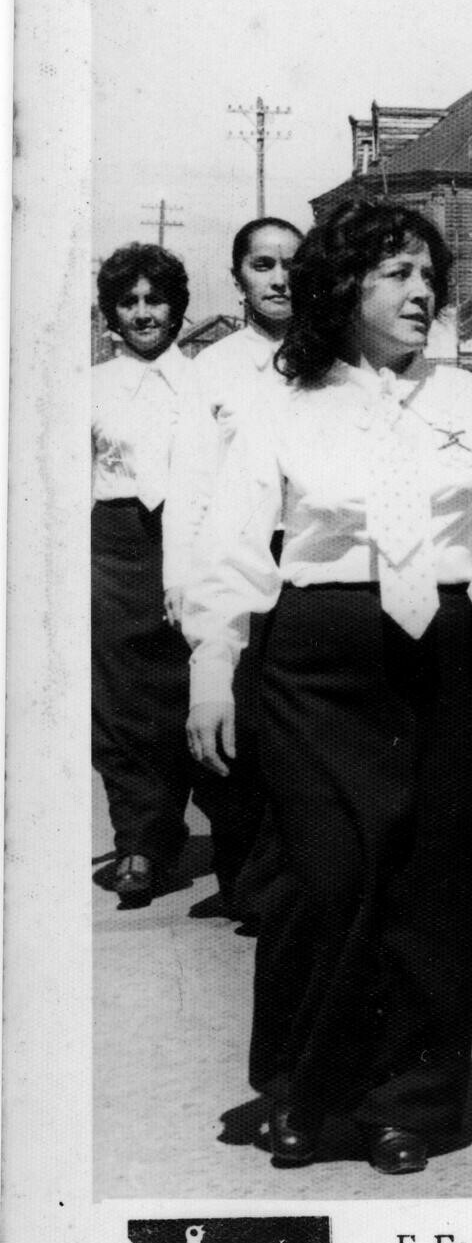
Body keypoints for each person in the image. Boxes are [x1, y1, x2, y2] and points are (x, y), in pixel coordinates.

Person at [182, 201, 472, 1174]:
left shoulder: (463, 403)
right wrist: (211, 669)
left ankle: (409, 1097)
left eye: (427, 274)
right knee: (325, 875)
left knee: (431, 880)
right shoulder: (288, 404)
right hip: (317, 654)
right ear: (342, 289)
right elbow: (229, 546)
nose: (421, 291)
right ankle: (304, 1085)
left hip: (442, 655)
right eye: (396, 273)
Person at [156, 218, 302, 920]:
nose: (279, 278)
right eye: (263, 265)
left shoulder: (328, 354)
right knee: (229, 714)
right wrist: (180, 579)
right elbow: (189, 485)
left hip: (304, 558)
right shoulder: (211, 368)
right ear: (239, 276)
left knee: (295, 723)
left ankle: (284, 877)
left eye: (291, 264)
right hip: (230, 557)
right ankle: (242, 871)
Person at [91, 241, 222, 909]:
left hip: (191, 539)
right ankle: (139, 843)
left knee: (191, 688)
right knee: (118, 703)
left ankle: (221, 840)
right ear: (112, 310)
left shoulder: (203, 380)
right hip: (114, 549)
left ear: (177, 307)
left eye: (155, 299)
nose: (143, 313)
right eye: (129, 301)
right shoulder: (89, 387)